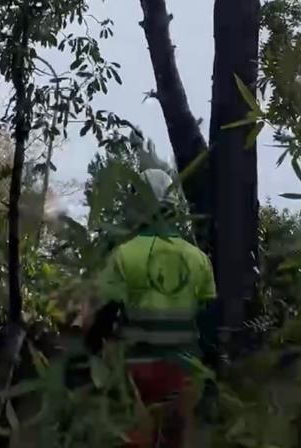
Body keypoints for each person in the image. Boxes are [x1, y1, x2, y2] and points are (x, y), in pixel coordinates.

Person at [85, 169, 217, 448]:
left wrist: (89, 354)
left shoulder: (124, 254)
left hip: (136, 376)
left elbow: (106, 316)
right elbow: (208, 324)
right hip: (183, 374)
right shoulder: (199, 259)